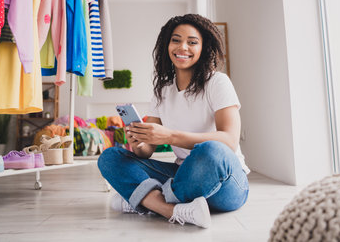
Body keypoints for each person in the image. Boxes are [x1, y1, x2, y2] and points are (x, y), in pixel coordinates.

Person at [97, 14, 250, 228]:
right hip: (183, 176)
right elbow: (146, 151)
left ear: (203, 47)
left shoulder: (217, 82)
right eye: (176, 40)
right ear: (166, 44)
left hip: (225, 181)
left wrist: (170, 136)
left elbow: (229, 141)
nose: (182, 47)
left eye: (192, 42)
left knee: (212, 151)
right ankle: (171, 209)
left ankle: (145, 200)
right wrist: (138, 142)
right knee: (110, 157)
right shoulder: (163, 91)